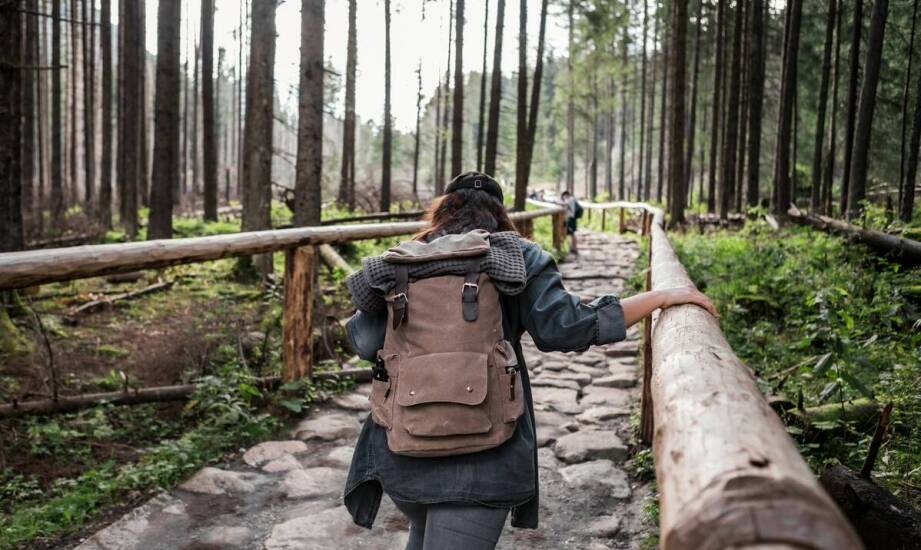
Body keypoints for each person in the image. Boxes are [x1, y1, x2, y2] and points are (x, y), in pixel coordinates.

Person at [342, 171, 717, 550]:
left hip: (403, 446)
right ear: (500, 214)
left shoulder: (404, 260)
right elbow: (567, 328)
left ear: (442, 210)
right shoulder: (514, 257)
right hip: (484, 455)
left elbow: (364, 341)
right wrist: (660, 297)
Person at [560, 190, 582, 256]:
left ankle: (574, 248)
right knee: (571, 234)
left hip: (570, 219)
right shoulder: (572, 199)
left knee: (572, 234)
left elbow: (564, 204)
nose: (563, 198)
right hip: (572, 219)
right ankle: (572, 247)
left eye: (563, 196)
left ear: (565, 195)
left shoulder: (570, 199)